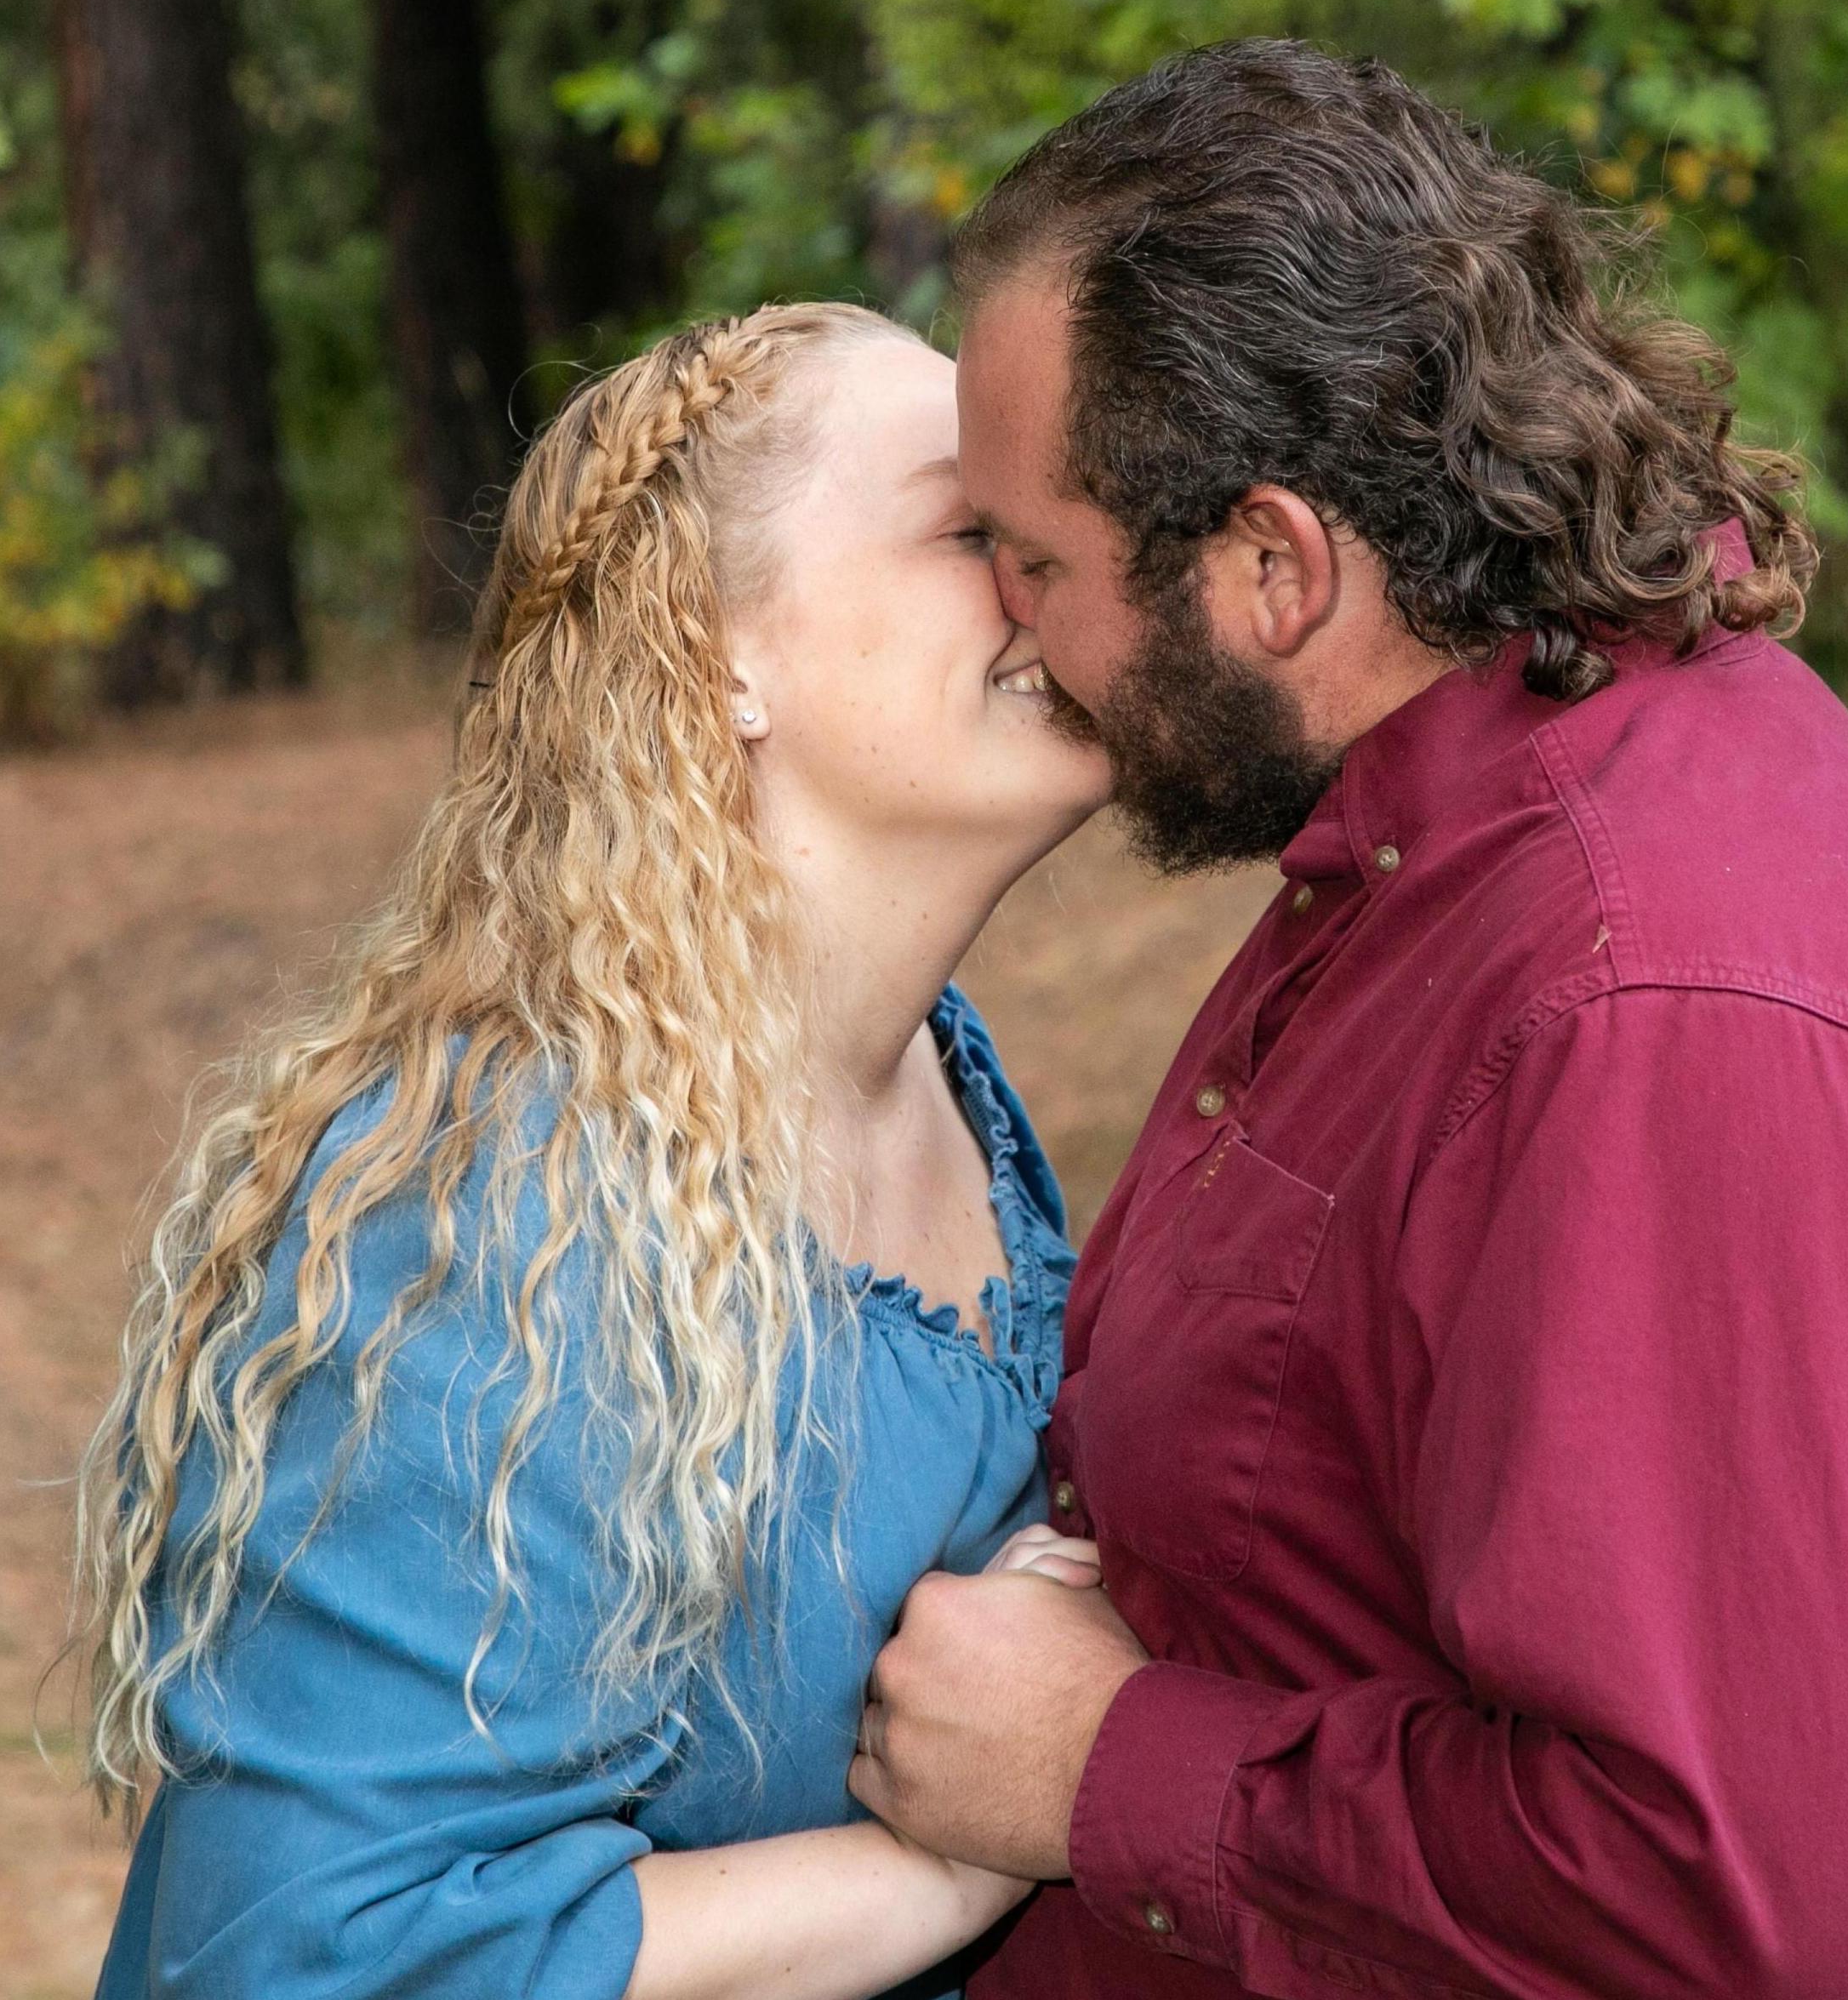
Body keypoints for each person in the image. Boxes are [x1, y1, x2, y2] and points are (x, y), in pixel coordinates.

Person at [847, 41, 1848, 1998]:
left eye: (1034, 558)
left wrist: (1096, 1768)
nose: (1001, 617)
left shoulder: (1672, 1003)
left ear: (1271, 567)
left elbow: (1724, 1898)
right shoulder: (1451, 849)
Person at [77, 302, 1113, 2000]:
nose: (1055, 563)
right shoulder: (494, 1221)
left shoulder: (948, 1079)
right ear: (721, 654)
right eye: (969, 526)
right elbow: (331, 1957)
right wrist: (958, 1849)